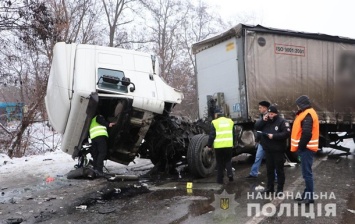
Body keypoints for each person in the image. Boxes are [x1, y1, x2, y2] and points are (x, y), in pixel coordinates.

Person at [291, 95, 319, 204]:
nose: (297, 107)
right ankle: (306, 195)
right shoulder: (307, 113)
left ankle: (309, 197)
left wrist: (301, 147)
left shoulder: (308, 114)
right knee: (306, 173)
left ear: (302, 104)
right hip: (307, 148)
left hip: (307, 149)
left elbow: (307, 133)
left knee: (307, 174)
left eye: (298, 104)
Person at [256, 106, 290, 195]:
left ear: (276, 113)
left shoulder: (282, 122)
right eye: (269, 114)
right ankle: (270, 188)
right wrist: (263, 120)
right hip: (268, 150)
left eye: (272, 114)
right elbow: (257, 127)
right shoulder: (266, 121)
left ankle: (280, 189)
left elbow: (286, 133)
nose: (270, 115)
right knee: (269, 170)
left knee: (279, 170)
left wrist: (274, 136)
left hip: (278, 150)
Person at [206, 108, 235, 184]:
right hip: (228, 145)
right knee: (228, 160)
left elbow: (212, 135)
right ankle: (230, 175)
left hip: (219, 147)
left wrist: (209, 145)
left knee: (220, 163)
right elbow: (233, 134)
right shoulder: (230, 121)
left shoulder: (214, 122)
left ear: (216, 115)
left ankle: (220, 179)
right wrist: (233, 144)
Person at [246, 101, 270, 178]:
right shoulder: (262, 116)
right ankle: (253, 173)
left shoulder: (270, 116)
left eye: (260, 107)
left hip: (269, 142)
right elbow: (257, 127)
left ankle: (275, 177)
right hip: (262, 142)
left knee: (271, 160)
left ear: (265, 108)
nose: (259, 109)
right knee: (258, 157)